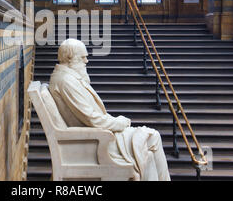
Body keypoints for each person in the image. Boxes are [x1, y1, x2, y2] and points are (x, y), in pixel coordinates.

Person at [49, 39, 171, 181]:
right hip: (94, 140)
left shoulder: (67, 78)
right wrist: (118, 122)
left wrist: (114, 121)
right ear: (70, 58)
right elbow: (91, 118)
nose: (86, 61)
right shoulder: (66, 81)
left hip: (93, 135)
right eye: (83, 57)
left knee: (149, 147)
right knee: (153, 137)